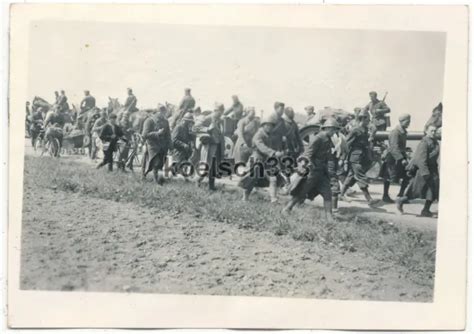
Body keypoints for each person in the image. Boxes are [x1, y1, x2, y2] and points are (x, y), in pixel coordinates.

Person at [282, 118, 341, 221]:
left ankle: (329, 217)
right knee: (301, 191)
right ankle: (287, 209)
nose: (334, 132)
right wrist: (303, 165)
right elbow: (308, 153)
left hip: (322, 172)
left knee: (328, 193)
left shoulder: (328, 139)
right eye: (333, 129)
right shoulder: (318, 138)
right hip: (313, 171)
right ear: (327, 128)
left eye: (335, 130)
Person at [238, 113, 285, 202]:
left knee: (273, 178)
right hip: (256, 159)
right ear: (263, 125)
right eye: (268, 125)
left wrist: (280, 149)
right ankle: (245, 197)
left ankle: (273, 199)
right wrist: (274, 153)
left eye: (271, 126)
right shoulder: (259, 135)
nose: (270, 127)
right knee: (250, 179)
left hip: (266, 160)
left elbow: (273, 146)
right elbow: (261, 147)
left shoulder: (269, 135)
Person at [396, 124, 440, 217]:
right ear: (426, 131)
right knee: (415, 191)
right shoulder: (424, 143)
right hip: (423, 171)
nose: (433, 133)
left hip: (433, 170)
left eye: (435, 131)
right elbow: (421, 159)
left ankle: (426, 210)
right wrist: (425, 173)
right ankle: (401, 201)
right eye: (431, 131)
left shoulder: (435, 142)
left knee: (433, 191)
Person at [339, 109, 380, 207]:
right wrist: (343, 158)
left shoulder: (364, 130)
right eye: (368, 120)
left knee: (351, 176)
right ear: (363, 118)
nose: (369, 122)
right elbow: (346, 144)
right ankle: (369, 199)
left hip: (361, 157)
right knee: (361, 177)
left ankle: (340, 194)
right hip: (355, 157)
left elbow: (365, 144)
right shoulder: (355, 130)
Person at [380, 113, 411, 203]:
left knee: (407, 175)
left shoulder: (403, 132)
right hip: (393, 158)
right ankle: (385, 196)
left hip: (400, 156)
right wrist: (402, 159)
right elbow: (394, 147)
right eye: (407, 121)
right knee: (388, 177)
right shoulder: (395, 132)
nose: (409, 123)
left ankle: (400, 195)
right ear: (401, 121)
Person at [194, 103, 225, 191]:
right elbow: (195, 128)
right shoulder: (207, 118)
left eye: (222, 112)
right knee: (206, 166)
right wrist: (207, 129)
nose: (221, 114)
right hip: (208, 147)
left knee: (214, 168)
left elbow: (221, 134)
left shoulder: (220, 120)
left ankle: (211, 186)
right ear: (215, 111)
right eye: (219, 112)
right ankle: (197, 181)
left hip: (218, 147)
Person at [141, 105, 172, 184]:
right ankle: (155, 180)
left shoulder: (165, 121)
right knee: (156, 162)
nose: (162, 114)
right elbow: (145, 134)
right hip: (152, 145)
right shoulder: (149, 121)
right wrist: (157, 133)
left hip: (162, 145)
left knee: (161, 163)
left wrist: (170, 144)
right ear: (157, 112)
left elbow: (168, 134)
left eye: (164, 112)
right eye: (161, 112)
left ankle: (149, 175)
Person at [170, 112, 195, 176]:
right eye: (189, 122)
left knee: (184, 167)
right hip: (178, 151)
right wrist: (183, 144)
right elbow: (173, 140)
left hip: (185, 151)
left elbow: (189, 138)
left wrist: (192, 134)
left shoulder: (187, 129)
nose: (190, 124)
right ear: (184, 121)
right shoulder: (178, 127)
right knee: (177, 168)